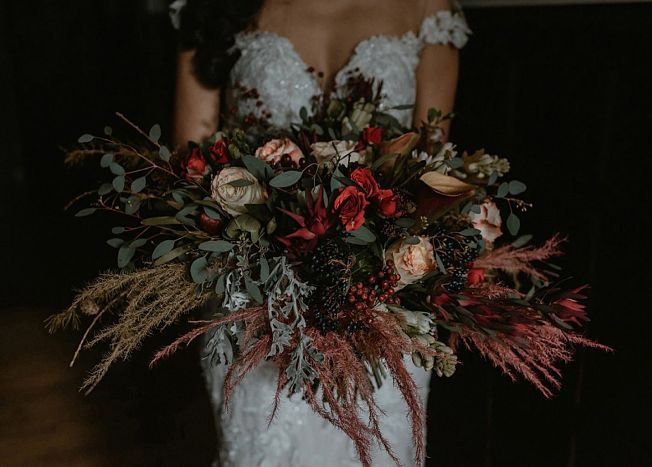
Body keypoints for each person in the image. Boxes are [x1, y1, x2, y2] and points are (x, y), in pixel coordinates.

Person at [170, 1, 470, 465]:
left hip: (382, 294)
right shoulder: (214, 8)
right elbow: (190, 164)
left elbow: (428, 173)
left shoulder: (427, 9)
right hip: (252, 290)